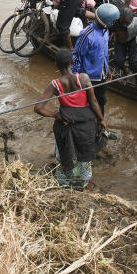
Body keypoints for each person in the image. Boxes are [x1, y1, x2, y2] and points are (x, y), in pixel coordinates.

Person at [34, 48, 107, 191]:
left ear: (56, 65)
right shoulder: (84, 79)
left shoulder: (55, 84)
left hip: (66, 125)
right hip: (85, 125)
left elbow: (38, 108)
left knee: (65, 153)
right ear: (72, 62)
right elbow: (94, 102)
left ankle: (66, 184)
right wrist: (101, 120)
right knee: (84, 155)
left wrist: (56, 115)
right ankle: (85, 185)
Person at [72, 3, 120, 116]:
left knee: (101, 101)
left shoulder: (106, 31)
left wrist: (107, 68)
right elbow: (76, 56)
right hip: (89, 78)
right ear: (107, 23)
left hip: (101, 75)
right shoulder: (87, 34)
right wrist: (76, 78)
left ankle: (100, 125)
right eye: (113, 22)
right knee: (88, 102)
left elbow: (104, 53)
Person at [111, 7, 137, 75]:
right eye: (123, 23)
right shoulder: (115, 23)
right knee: (118, 61)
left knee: (133, 63)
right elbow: (107, 31)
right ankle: (125, 71)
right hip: (120, 42)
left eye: (127, 23)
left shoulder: (136, 18)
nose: (125, 25)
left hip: (132, 40)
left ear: (131, 19)